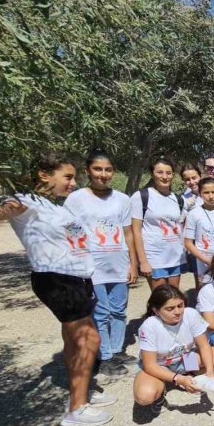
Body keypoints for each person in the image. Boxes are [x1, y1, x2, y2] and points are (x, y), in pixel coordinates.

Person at [0, 156, 114, 426]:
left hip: (77, 278)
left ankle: (81, 393)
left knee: (74, 339)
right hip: (57, 278)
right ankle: (77, 409)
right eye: (67, 177)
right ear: (44, 175)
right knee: (89, 339)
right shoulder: (24, 201)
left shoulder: (55, 205)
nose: (73, 183)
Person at [64, 148, 137, 376]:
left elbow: (128, 233)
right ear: (88, 171)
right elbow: (71, 232)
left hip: (119, 263)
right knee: (100, 312)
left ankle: (116, 350)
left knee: (119, 310)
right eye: (98, 169)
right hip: (92, 266)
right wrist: (76, 264)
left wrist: (133, 263)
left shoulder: (122, 199)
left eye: (108, 170)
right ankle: (104, 356)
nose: (103, 174)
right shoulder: (76, 199)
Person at [132, 285, 214, 415]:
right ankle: (161, 391)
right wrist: (178, 379)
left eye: (180, 305)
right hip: (160, 365)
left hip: (185, 358)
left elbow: (204, 346)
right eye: (170, 308)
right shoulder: (150, 326)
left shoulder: (190, 314)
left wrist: (210, 373)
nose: (178, 312)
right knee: (144, 396)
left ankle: (192, 374)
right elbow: (150, 365)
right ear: (156, 311)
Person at [130, 157, 185, 289]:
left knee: (174, 296)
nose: (165, 177)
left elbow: (180, 227)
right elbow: (136, 231)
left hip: (175, 257)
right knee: (160, 297)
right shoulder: (141, 196)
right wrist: (143, 261)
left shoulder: (178, 199)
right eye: (160, 172)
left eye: (168, 173)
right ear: (152, 174)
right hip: (154, 257)